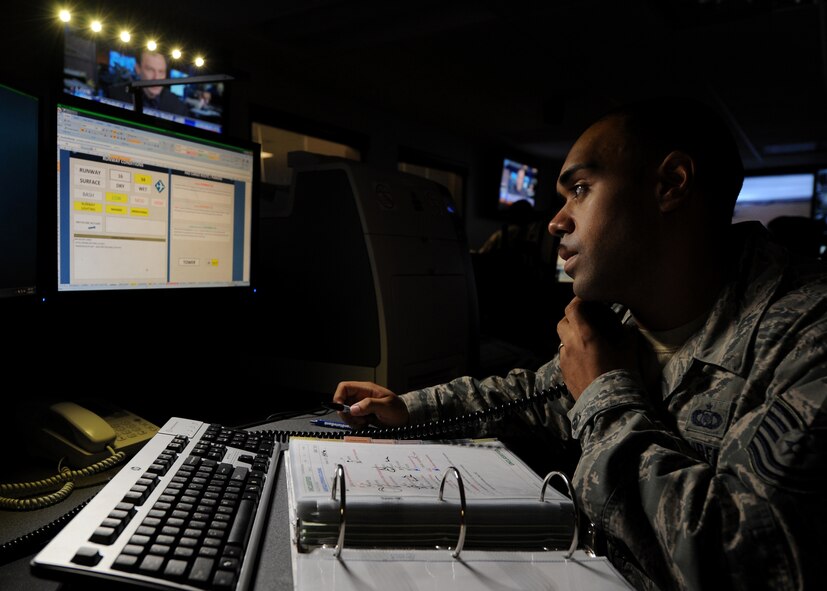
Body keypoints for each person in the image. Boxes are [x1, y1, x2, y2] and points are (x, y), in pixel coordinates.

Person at [332, 97, 827, 590]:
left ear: (671, 184)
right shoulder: (626, 316)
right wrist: (411, 409)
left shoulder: (807, 337)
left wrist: (604, 391)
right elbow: (533, 398)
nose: (556, 221)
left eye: (581, 189)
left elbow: (750, 563)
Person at [108, 50, 189, 117]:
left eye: (161, 72)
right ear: (138, 69)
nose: (156, 78)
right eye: (150, 70)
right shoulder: (115, 95)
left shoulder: (178, 108)